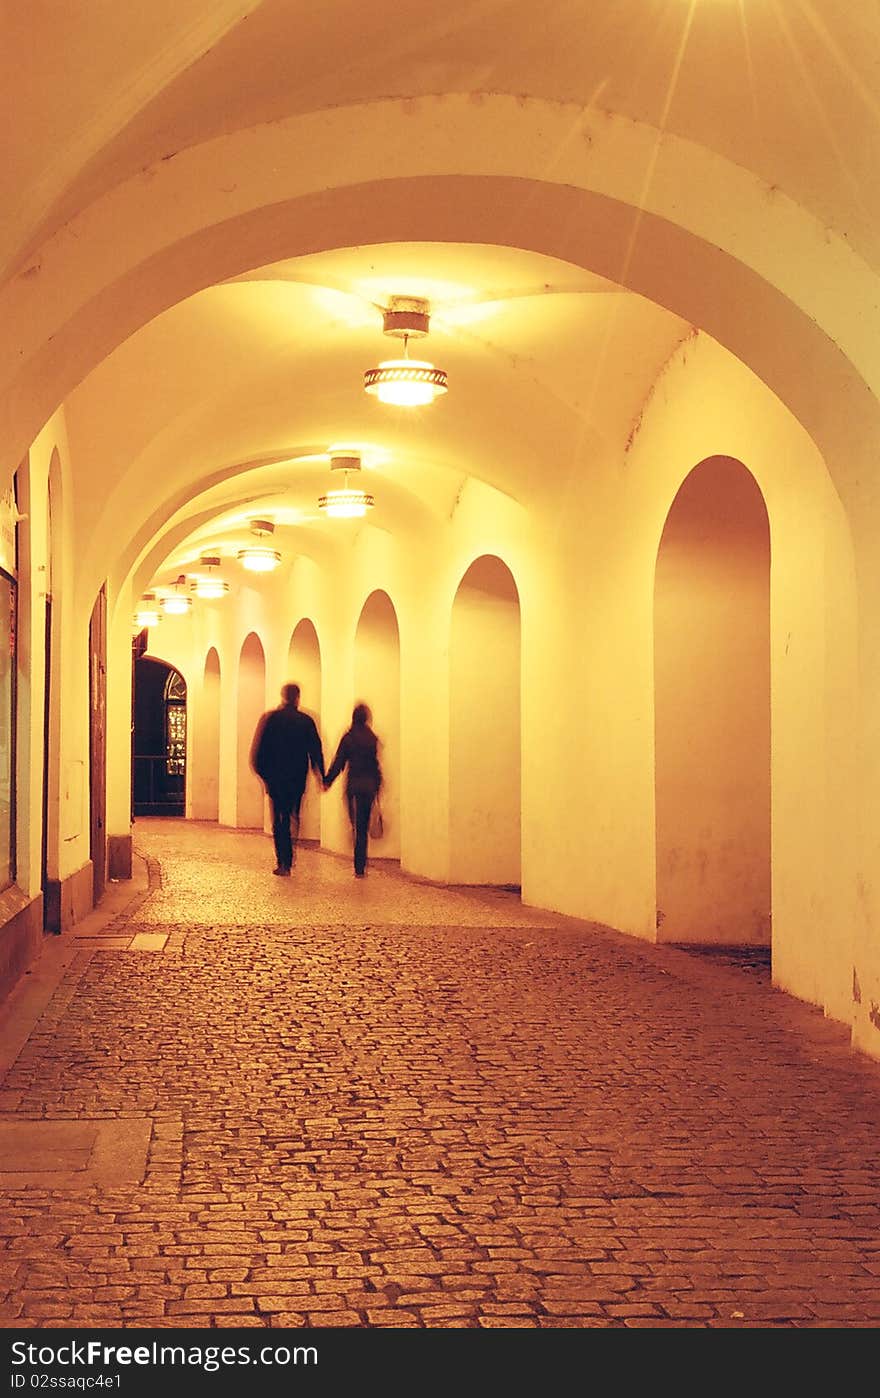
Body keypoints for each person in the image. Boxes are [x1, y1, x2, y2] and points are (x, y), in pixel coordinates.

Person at [251, 682, 325, 876]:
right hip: (297, 777)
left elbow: (257, 752)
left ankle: (282, 861)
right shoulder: (305, 721)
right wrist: (321, 775)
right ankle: (290, 856)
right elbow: (316, 750)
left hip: (276, 778)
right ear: (297, 697)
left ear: (283, 696)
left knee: (279, 819)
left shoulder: (270, 719)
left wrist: (264, 776)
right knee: (293, 815)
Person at [324, 703, 382, 878]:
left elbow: (339, 761)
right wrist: (378, 786)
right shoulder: (372, 738)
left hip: (354, 786)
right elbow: (375, 764)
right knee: (363, 825)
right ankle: (360, 865)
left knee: (357, 823)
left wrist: (328, 780)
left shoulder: (348, 738)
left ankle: (357, 852)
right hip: (369, 785)